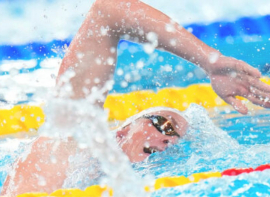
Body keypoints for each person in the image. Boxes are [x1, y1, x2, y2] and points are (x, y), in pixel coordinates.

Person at [2, 0, 270, 196]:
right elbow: (107, 12)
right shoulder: (65, 144)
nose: (170, 140)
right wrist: (210, 60)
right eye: (164, 126)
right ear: (121, 131)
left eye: (176, 140)